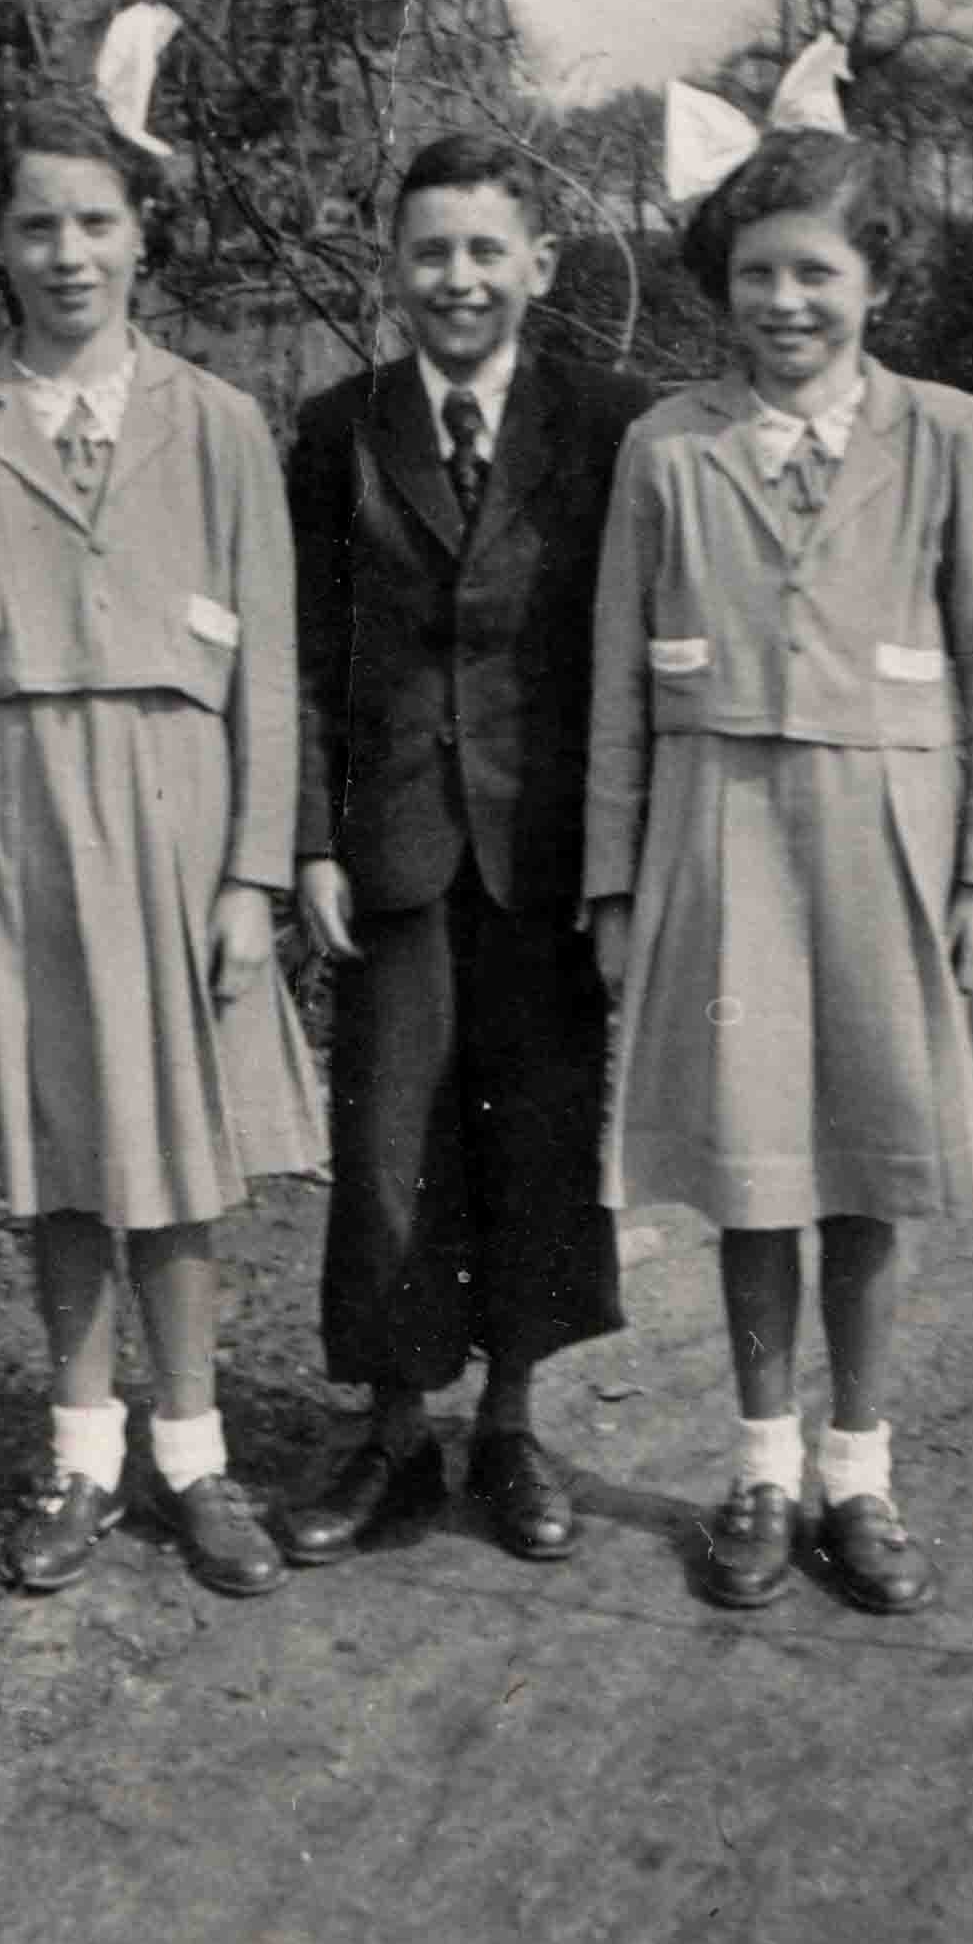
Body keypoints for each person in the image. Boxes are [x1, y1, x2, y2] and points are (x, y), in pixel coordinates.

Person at [0, 35, 326, 1603]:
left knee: (177, 1151)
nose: (67, 254)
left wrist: (253, 874)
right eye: (35, 226)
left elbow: (270, 665)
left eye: (94, 223)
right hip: (15, 821)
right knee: (62, 1143)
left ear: (144, 233)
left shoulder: (218, 422)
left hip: (176, 818)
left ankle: (194, 1454)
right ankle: (79, 1449)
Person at [585, 58, 973, 1614]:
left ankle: (860, 1471)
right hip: (720, 842)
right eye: (758, 274)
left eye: (816, 275)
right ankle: (761, 1468)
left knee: (865, 1160)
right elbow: (615, 684)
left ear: (876, 282)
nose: (785, 303)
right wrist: (614, 884)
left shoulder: (946, 433)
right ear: (722, 283)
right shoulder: (666, 448)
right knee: (753, 1162)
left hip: (886, 843)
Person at [281, 136, 655, 1565]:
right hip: (393, 844)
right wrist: (310, 840)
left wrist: (622, 863)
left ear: (538, 267)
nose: (457, 279)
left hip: (545, 852)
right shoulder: (340, 428)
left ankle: (508, 1426)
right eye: (429, 252)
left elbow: (637, 650)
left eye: (485, 251)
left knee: (538, 1133)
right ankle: (391, 1433)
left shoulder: (609, 424)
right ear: (391, 270)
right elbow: (305, 655)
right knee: (385, 1141)